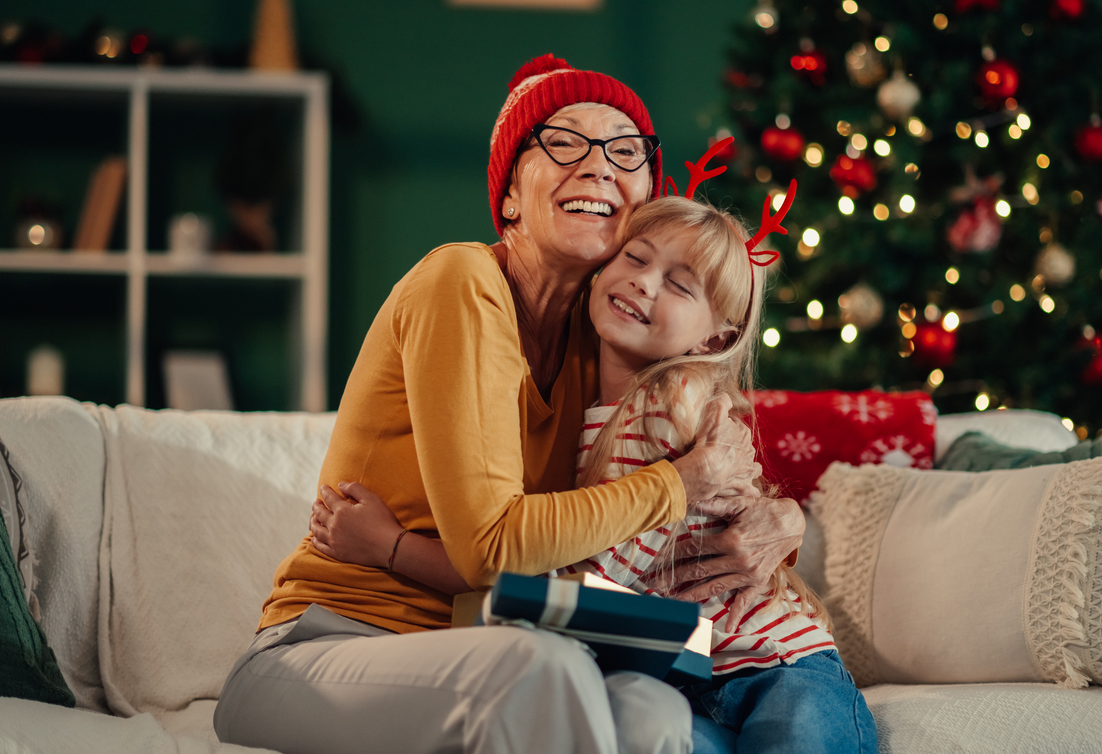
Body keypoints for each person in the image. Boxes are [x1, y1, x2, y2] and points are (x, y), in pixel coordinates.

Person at [213, 54, 807, 754]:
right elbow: (496, 547)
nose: (597, 166)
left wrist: (785, 519)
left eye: (624, 151)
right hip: (327, 646)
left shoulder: (610, 340)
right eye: (562, 142)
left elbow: (722, 447)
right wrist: (678, 485)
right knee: (540, 668)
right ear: (510, 198)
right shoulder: (461, 284)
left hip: (497, 643)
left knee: (654, 712)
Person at [312, 195, 877, 754]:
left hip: (773, 662)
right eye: (635, 257)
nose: (643, 282)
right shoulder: (591, 399)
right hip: (686, 674)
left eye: (679, 285)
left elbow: (578, 586)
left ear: (715, 340)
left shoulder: (668, 403)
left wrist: (393, 547)